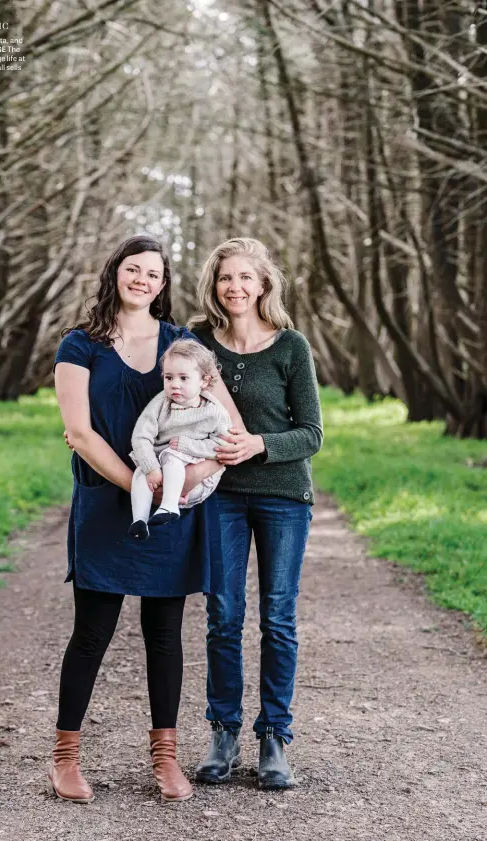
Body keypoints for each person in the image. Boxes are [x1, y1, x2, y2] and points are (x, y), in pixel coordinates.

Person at [50, 235, 236, 804]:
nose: (143, 280)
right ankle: (64, 758)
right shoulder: (80, 346)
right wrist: (138, 484)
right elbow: (79, 432)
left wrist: (189, 474)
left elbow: (225, 422)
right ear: (115, 275)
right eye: (134, 270)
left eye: (154, 273)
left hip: (173, 505)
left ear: (163, 284)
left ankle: (166, 759)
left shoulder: (183, 344)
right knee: (92, 633)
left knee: (165, 635)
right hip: (110, 504)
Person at [190, 238, 323, 790]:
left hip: (282, 496)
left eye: (246, 277)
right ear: (214, 285)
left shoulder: (291, 347)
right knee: (223, 614)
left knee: (277, 617)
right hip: (218, 494)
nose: (235, 287)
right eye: (226, 278)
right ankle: (224, 733)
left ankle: (275, 737)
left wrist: (259, 445)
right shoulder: (197, 343)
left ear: (264, 284)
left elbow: (312, 433)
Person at [128, 339, 230, 539]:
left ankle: (169, 506)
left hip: (197, 479)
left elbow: (223, 445)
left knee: (171, 457)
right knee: (141, 470)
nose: (175, 384)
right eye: (169, 377)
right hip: (160, 470)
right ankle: (139, 520)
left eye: (184, 378)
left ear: (204, 381)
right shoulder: (160, 403)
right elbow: (141, 435)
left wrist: (187, 446)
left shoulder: (214, 411)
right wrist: (151, 467)